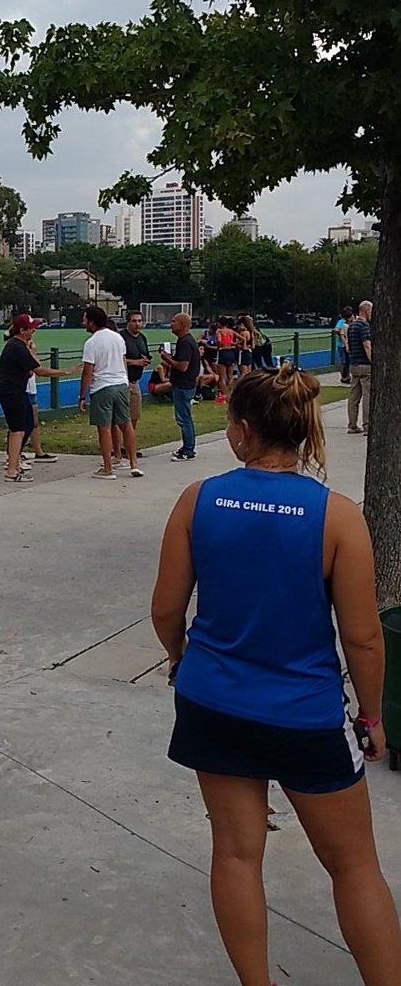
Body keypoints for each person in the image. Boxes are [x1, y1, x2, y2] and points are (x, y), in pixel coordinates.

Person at [151, 364, 401, 986]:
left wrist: (183, 659)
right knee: (353, 866)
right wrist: (371, 717)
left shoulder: (198, 499)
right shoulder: (337, 516)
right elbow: (363, 638)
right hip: (305, 714)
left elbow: (164, 609)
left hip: (214, 703)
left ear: (240, 431)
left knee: (236, 853)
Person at [0, 314, 75, 484]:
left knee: (29, 423)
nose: (34, 330)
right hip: (10, 391)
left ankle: (15, 461)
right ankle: (12, 469)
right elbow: (39, 370)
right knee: (18, 429)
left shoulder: (22, 346)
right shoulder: (16, 346)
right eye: (31, 328)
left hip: (16, 390)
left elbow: (29, 369)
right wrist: (66, 371)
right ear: (22, 330)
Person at [77, 305, 143, 481]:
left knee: (104, 428)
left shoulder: (91, 343)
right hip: (121, 383)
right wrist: (124, 380)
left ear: (91, 321)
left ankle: (107, 468)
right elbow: (122, 361)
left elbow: (87, 371)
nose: (84, 322)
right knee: (126, 424)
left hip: (103, 386)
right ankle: (133, 463)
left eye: (85, 319)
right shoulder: (118, 338)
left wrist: (82, 395)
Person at [158, 313, 201, 462]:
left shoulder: (185, 342)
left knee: (184, 418)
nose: (171, 324)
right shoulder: (187, 341)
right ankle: (186, 446)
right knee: (183, 417)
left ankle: (188, 449)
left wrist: (167, 359)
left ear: (182, 324)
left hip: (183, 385)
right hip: (184, 383)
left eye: (174, 321)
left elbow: (183, 366)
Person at [23, 337, 58, 465]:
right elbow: (33, 371)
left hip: (31, 389)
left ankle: (38, 451)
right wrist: (32, 354)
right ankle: (15, 455)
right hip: (22, 389)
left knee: (34, 422)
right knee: (21, 424)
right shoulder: (19, 349)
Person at [121, 311, 151, 456]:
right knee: (121, 416)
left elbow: (145, 354)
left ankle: (128, 444)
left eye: (139, 321)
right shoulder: (121, 338)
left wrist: (145, 360)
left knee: (134, 415)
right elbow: (118, 359)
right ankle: (120, 446)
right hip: (123, 380)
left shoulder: (142, 338)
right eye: (134, 321)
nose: (137, 324)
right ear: (128, 322)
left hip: (135, 381)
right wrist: (135, 362)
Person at [347, 300, 373, 435]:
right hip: (364, 364)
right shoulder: (364, 326)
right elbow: (367, 345)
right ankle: (367, 425)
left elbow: (348, 346)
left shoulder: (351, 326)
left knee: (353, 396)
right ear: (367, 311)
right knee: (367, 395)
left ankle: (352, 424)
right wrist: (373, 361)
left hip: (354, 364)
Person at [215, 316, 238, 402]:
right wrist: (235, 344)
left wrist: (218, 346)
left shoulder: (219, 331)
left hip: (223, 352)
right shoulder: (231, 331)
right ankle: (232, 394)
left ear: (219, 323)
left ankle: (224, 396)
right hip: (230, 352)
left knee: (221, 377)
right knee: (230, 376)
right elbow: (241, 338)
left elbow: (220, 340)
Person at [335, 305, 354, 385]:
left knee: (348, 361)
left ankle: (347, 376)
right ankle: (344, 376)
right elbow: (336, 330)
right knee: (343, 361)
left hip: (348, 344)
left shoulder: (353, 321)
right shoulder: (342, 322)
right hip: (342, 345)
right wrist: (342, 337)